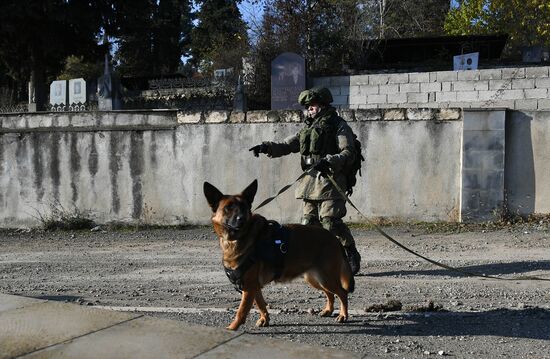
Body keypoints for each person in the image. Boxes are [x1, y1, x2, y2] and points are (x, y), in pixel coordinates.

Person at [249, 87, 362, 275]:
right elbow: (287, 145)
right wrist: (266, 147)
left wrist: (330, 160)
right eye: (307, 106)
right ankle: (314, 262)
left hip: (331, 181)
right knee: (308, 225)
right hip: (310, 182)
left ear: (324, 105)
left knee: (330, 222)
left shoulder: (339, 125)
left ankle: (350, 252)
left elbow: (348, 152)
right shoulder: (307, 128)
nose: (310, 109)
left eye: (313, 105)